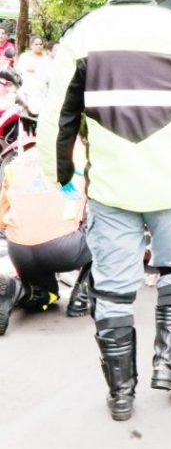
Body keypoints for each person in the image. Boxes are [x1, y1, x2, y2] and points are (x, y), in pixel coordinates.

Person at [36, 0, 171, 421]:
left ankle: (121, 395)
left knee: (112, 290)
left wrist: (59, 175)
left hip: (113, 190)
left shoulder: (83, 34)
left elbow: (57, 117)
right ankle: (167, 364)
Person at [0, 139, 92, 336]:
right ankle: (81, 298)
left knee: (49, 294)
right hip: (63, 249)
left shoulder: (18, 161)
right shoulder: (84, 155)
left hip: (19, 250)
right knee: (111, 229)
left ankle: (16, 289)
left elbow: (2, 218)